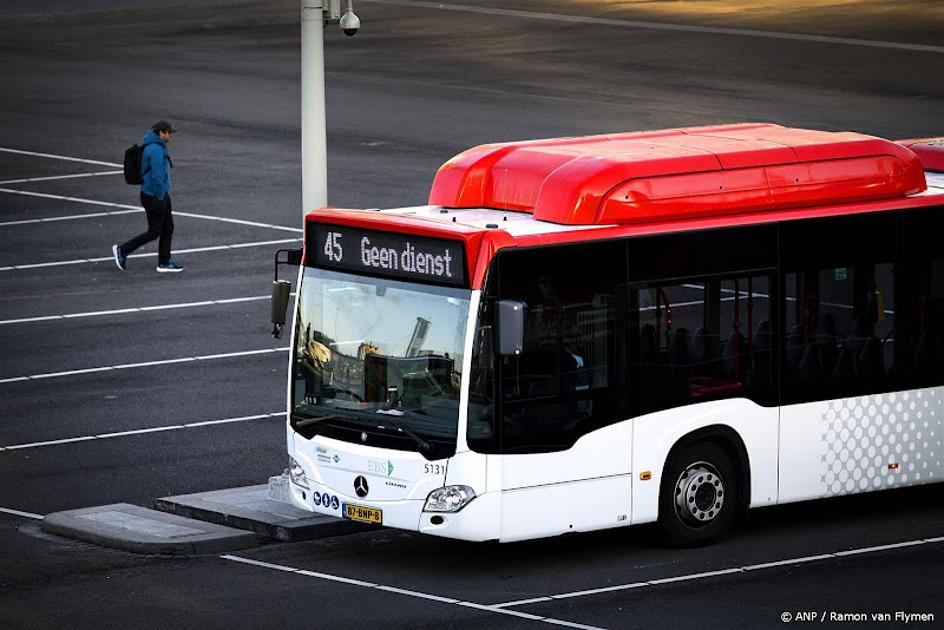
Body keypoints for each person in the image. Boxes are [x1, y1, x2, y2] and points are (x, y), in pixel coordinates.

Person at [112, 120, 184, 273]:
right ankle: (123, 250)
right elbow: (157, 176)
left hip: (157, 194)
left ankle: (164, 262)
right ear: (161, 133)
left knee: (167, 228)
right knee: (155, 231)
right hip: (154, 195)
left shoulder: (154, 146)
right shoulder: (155, 149)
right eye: (169, 132)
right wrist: (160, 197)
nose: (171, 135)